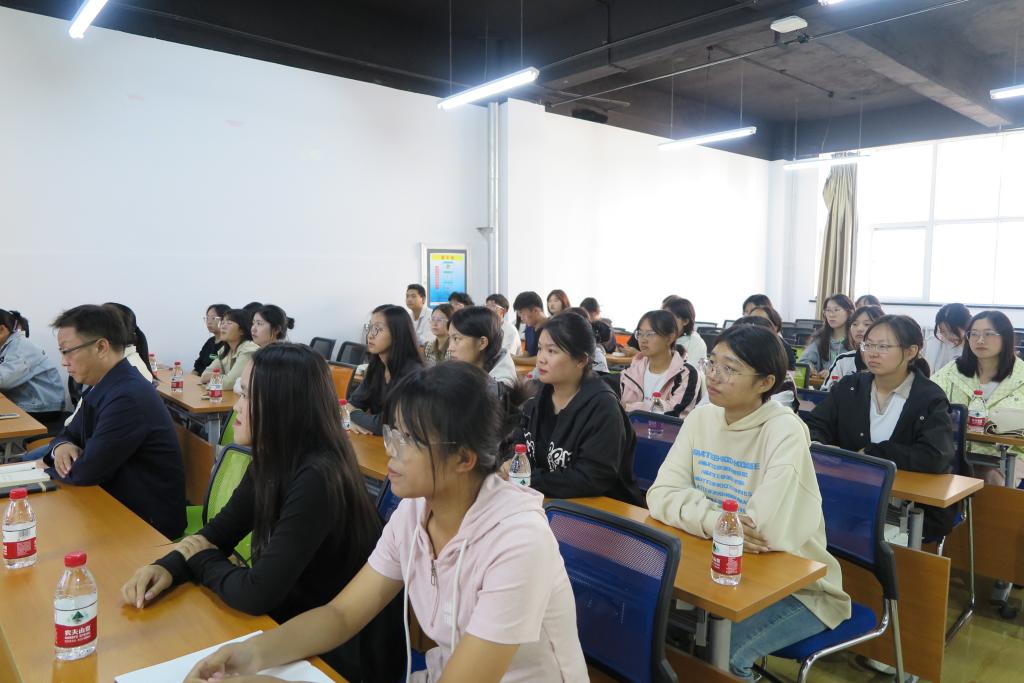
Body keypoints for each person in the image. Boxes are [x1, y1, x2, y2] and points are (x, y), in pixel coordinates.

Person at [183, 362, 588, 683]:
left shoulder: (519, 542)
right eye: (393, 432)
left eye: (408, 440)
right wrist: (251, 653)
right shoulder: (414, 513)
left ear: (464, 458)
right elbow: (342, 615)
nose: (390, 449)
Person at [122, 344, 401, 681]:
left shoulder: (318, 476)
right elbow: (220, 532)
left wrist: (199, 559)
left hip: (337, 652)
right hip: (292, 630)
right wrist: (169, 565)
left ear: (281, 405)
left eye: (246, 395)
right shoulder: (274, 459)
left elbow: (257, 593)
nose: (236, 406)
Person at [647, 325, 850, 679]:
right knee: (657, 632)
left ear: (765, 382)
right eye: (712, 363)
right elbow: (659, 494)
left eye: (730, 369)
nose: (714, 376)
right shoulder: (701, 417)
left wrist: (694, 511)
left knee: (722, 655)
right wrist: (715, 521)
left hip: (799, 587)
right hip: (715, 566)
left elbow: (761, 532)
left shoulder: (784, 431)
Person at [804, 315, 956, 539]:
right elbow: (814, 425)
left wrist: (872, 454)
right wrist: (822, 449)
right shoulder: (850, 386)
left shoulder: (928, 397)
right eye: (868, 345)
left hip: (901, 508)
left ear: (911, 351)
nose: (872, 353)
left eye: (883, 346)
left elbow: (934, 456)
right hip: (844, 492)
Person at [41, 305, 186, 539]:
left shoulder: (128, 396)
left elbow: (86, 471)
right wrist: (61, 447)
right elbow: (68, 433)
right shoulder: (105, 384)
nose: (63, 362)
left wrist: (55, 464)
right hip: (113, 504)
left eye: (67, 351)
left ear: (101, 347)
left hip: (146, 524)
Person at [509, 311, 642, 505]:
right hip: (546, 500)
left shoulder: (603, 407)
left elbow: (592, 478)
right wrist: (511, 463)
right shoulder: (536, 395)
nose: (541, 359)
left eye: (552, 351)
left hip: (600, 510)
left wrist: (528, 478)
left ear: (581, 360)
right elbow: (518, 445)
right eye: (540, 349)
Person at [932, 311, 1024, 486]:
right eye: (973, 334)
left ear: (1005, 337)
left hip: (1010, 456)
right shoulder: (953, 370)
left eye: (988, 334)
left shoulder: (1021, 376)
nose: (980, 340)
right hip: (955, 451)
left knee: (990, 479)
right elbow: (928, 399)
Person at [349, 305, 424, 436]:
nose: (370, 335)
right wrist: (353, 416)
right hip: (381, 443)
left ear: (397, 334)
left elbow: (389, 425)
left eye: (378, 329)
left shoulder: (413, 374)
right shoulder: (376, 367)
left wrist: (353, 415)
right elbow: (352, 403)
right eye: (370, 327)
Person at [619, 310, 700, 417]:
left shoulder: (686, 374)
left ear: (670, 338)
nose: (643, 340)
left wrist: (631, 408)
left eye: (650, 334)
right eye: (640, 333)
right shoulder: (632, 369)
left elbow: (675, 412)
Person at [0, 309, 64, 421]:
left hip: (42, 407)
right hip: (27, 403)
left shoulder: (19, 346)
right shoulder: (7, 346)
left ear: (1, 330)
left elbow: (3, 380)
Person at [448, 307, 517, 391]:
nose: (450, 348)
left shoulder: (499, 388)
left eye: (456, 339)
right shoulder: (470, 367)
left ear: (482, 343)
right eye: (449, 338)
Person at [821, 305, 884, 390]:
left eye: (867, 324)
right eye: (855, 324)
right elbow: (825, 392)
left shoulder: (887, 360)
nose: (859, 329)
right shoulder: (843, 360)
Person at [799, 294, 855, 379]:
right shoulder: (820, 338)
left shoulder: (856, 340)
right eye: (828, 310)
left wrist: (834, 373)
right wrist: (810, 368)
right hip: (821, 386)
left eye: (836, 310)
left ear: (849, 312)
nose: (831, 315)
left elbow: (859, 371)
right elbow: (804, 362)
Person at [201, 309, 259, 391]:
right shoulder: (225, 350)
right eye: (222, 323)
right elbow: (204, 376)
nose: (223, 326)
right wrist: (219, 378)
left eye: (229, 323)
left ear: (242, 330)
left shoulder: (249, 349)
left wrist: (213, 377)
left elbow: (229, 383)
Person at [924, 303, 971, 376]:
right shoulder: (932, 342)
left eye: (952, 331)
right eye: (943, 331)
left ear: (966, 326)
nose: (948, 336)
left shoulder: (974, 345)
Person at [748, 305, 796, 370]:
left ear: (775, 327)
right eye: (751, 320)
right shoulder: (742, 343)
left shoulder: (783, 348)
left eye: (760, 321)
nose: (754, 324)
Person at [193, 304, 230, 376]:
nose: (209, 322)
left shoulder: (229, 344)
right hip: (200, 380)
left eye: (213, 318)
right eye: (207, 318)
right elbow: (198, 366)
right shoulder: (210, 341)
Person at [513, 291, 548, 358]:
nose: (521, 319)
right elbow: (527, 353)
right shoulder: (529, 328)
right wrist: (513, 358)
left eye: (522, 313)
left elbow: (542, 358)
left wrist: (515, 360)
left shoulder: (552, 329)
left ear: (535, 310)